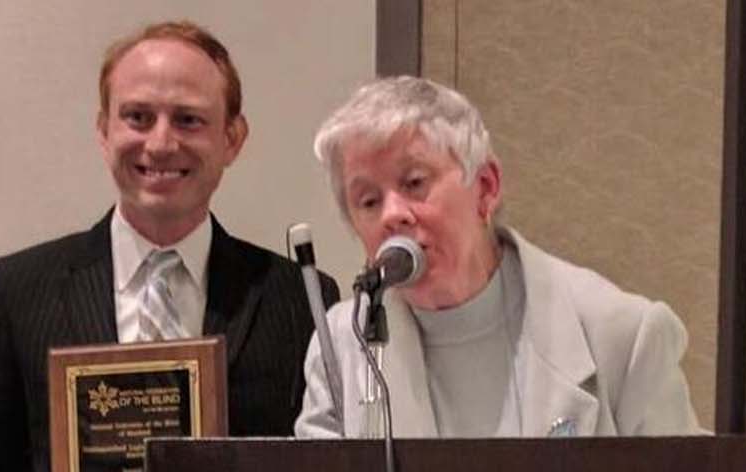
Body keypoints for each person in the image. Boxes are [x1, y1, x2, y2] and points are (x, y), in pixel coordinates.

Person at [0, 21, 339, 471]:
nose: (161, 143)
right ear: (104, 130)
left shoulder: (302, 299)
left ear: (232, 138)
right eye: (138, 117)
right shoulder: (15, 294)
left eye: (188, 119)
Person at [294, 77, 703, 438]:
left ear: (486, 187)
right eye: (368, 201)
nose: (392, 214)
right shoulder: (342, 347)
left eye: (414, 182)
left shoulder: (623, 335)